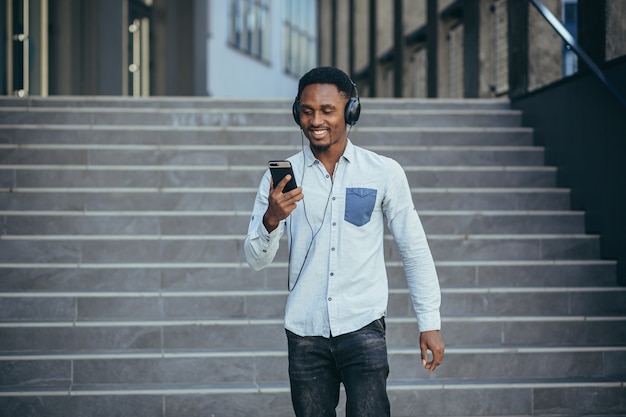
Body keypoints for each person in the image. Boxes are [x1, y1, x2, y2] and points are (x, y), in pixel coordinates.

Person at [244, 66, 444, 417]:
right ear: (296, 113)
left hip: (363, 325)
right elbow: (256, 259)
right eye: (307, 111)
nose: (315, 120)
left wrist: (429, 322)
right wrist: (271, 219)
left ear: (351, 111)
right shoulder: (281, 177)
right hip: (305, 331)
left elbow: (414, 250)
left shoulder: (383, 172)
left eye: (326, 110)